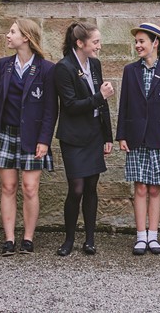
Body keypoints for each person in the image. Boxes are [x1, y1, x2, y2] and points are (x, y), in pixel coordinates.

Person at [0, 19, 58, 256]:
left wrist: (44, 140)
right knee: (8, 186)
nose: (8, 35)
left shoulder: (47, 69)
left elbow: (50, 109)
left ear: (26, 37)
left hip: (33, 137)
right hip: (5, 133)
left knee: (30, 188)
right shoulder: (3, 65)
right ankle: (9, 239)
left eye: (12, 31)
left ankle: (28, 238)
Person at [117, 23, 160, 255]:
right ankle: (140, 236)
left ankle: (153, 236)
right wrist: (122, 135)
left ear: (155, 43)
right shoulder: (130, 70)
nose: (137, 45)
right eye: (136, 41)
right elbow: (124, 104)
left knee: (155, 189)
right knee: (140, 188)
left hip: (159, 138)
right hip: (136, 137)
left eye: (141, 41)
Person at [53, 21, 114, 256]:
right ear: (80, 43)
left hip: (94, 134)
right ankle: (69, 239)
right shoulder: (64, 68)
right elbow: (70, 105)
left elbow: (102, 104)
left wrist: (107, 135)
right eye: (95, 42)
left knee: (91, 187)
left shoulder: (94, 64)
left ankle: (89, 239)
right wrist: (100, 96)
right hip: (74, 137)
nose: (99, 46)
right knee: (76, 188)